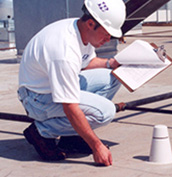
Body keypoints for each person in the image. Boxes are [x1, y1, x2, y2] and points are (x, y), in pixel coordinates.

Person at [17, 0, 126, 166]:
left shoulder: (79, 30)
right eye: (107, 33)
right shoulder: (64, 50)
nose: (109, 38)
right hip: (37, 99)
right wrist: (96, 145)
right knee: (105, 113)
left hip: (49, 89)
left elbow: (86, 62)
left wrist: (111, 63)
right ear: (91, 23)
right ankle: (41, 132)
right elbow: (70, 106)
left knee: (114, 77)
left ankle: (72, 138)